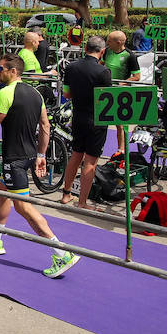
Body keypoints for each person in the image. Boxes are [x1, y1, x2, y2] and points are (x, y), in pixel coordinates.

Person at [0, 55, 79, 278]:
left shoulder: (5, 93)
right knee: (3, 193)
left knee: (23, 207)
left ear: (12, 71)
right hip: (28, 154)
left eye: (0, 69)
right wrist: (41, 154)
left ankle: (61, 252)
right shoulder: (35, 93)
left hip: (15, 158)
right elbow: (45, 125)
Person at [59, 36, 113, 210]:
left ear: (85, 48)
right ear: (102, 51)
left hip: (78, 117)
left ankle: (66, 194)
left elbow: (66, 94)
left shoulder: (72, 67)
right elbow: (107, 99)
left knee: (75, 156)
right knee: (90, 161)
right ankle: (82, 202)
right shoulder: (103, 72)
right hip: (96, 120)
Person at [104, 30, 142, 149]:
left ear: (119, 42)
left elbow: (137, 76)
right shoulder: (107, 52)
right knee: (101, 122)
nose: (107, 43)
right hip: (106, 91)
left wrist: (123, 83)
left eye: (109, 41)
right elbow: (100, 64)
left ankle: (121, 150)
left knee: (120, 125)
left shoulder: (129, 56)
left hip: (121, 93)